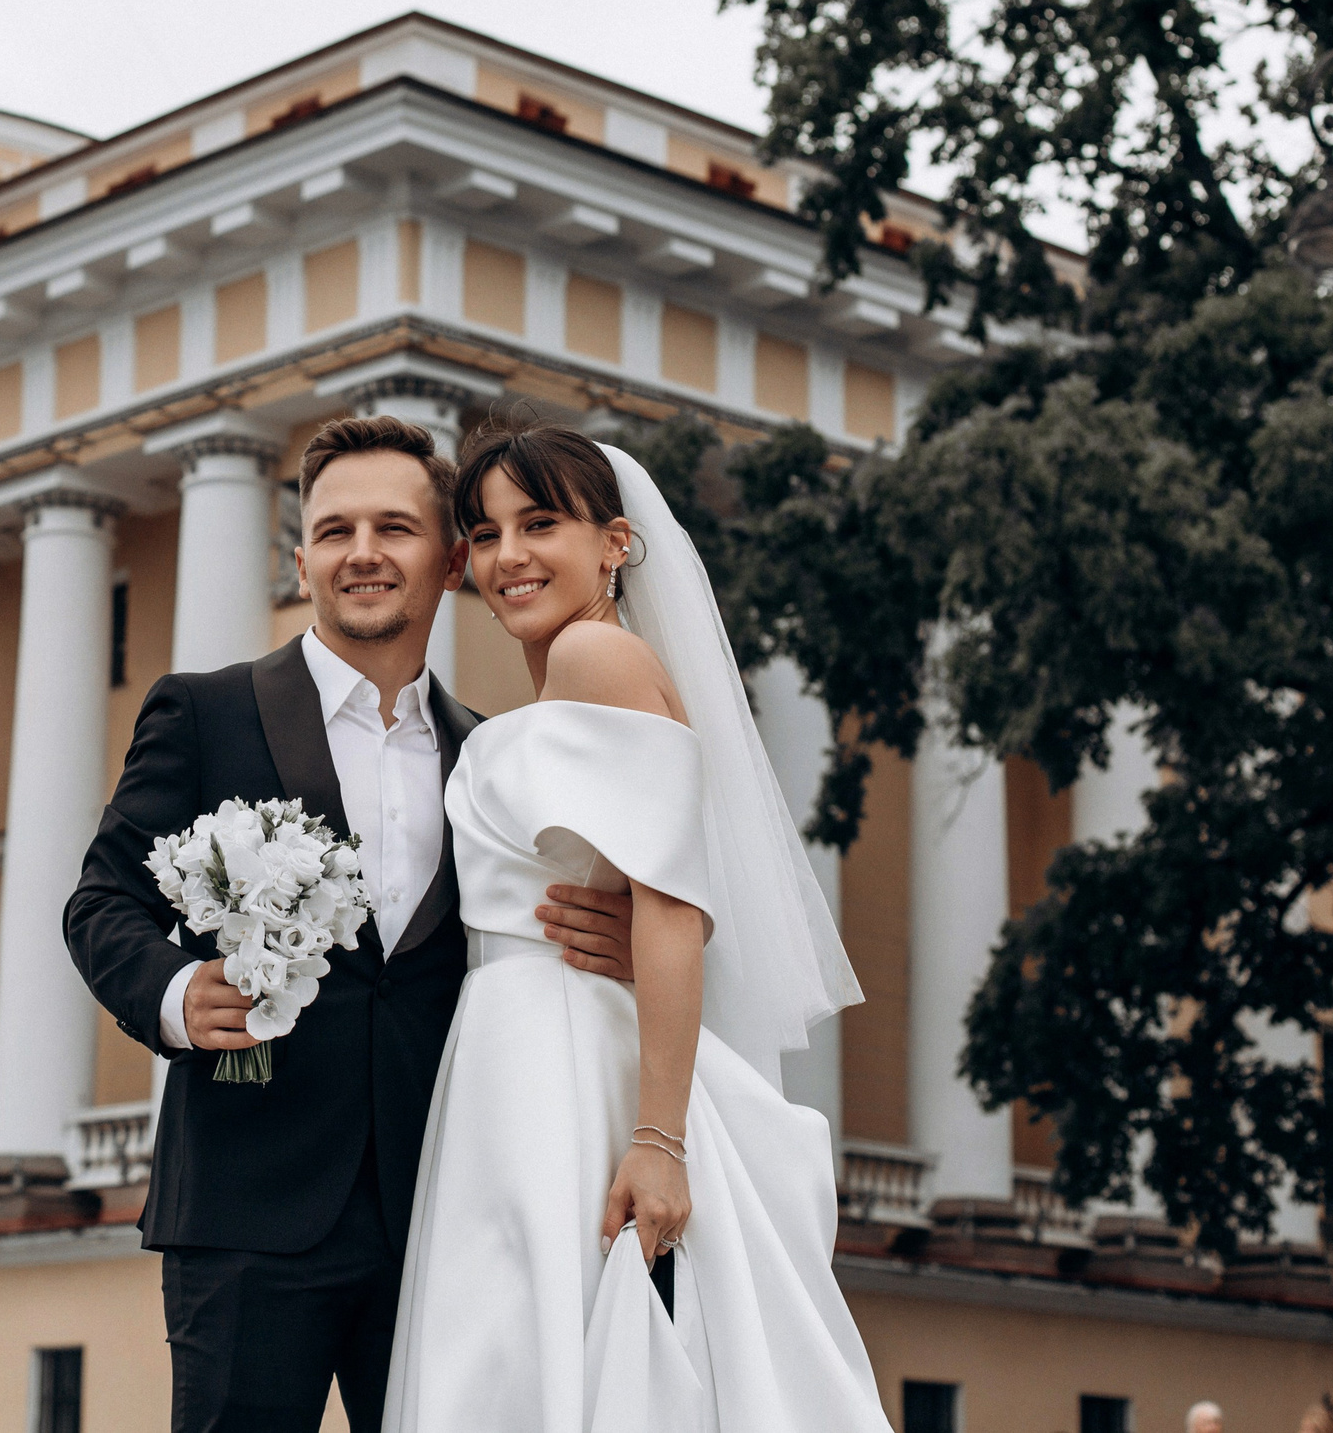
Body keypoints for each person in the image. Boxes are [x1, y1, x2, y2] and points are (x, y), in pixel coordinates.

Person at [62, 415, 639, 1433]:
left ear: (452, 559)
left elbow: (526, 934)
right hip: (245, 1211)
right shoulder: (205, 712)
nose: (362, 554)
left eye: (393, 528)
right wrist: (171, 995)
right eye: (333, 532)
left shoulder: (494, 755)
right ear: (300, 560)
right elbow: (102, 900)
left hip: (444, 1211)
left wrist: (615, 953)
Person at [382, 416, 883, 1430]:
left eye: (539, 523)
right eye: (482, 534)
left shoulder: (592, 658)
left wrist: (657, 1138)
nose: (508, 556)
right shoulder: (575, 671)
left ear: (614, 542)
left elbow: (669, 902)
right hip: (521, 1049)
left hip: (563, 1065)